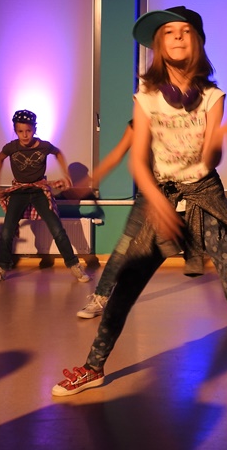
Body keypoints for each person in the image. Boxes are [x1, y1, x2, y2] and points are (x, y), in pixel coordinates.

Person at [51, 6, 227, 412]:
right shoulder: (147, 98)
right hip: (158, 196)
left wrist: (219, 140)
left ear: (198, 42)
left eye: (185, 31)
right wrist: (157, 203)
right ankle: (93, 367)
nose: (177, 37)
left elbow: (209, 159)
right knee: (125, 289)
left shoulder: (213, 97)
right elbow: (138, 161)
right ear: (158, 46)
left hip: (205, 196)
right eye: (169, 32)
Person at [0, 109, 90, 284]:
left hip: (39, 191)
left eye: (28, 130)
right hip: (19, 192)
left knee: (57, 228)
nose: (25, 135)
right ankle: (1, 268)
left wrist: (66, 174)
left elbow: (58, 153)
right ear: (15, 130)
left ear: (34, 129)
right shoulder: (11, 147)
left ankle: (74, 265)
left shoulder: (44, 146)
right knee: (7, 231)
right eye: (20, 131)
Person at [75, 120, 145, 319]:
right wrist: (88, 182)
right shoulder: (138, 124)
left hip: (191, 192)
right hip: (149, 195)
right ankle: (100, 298)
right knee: (123, 248)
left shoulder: (181, 119)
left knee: (219, 246)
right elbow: (116, 155)